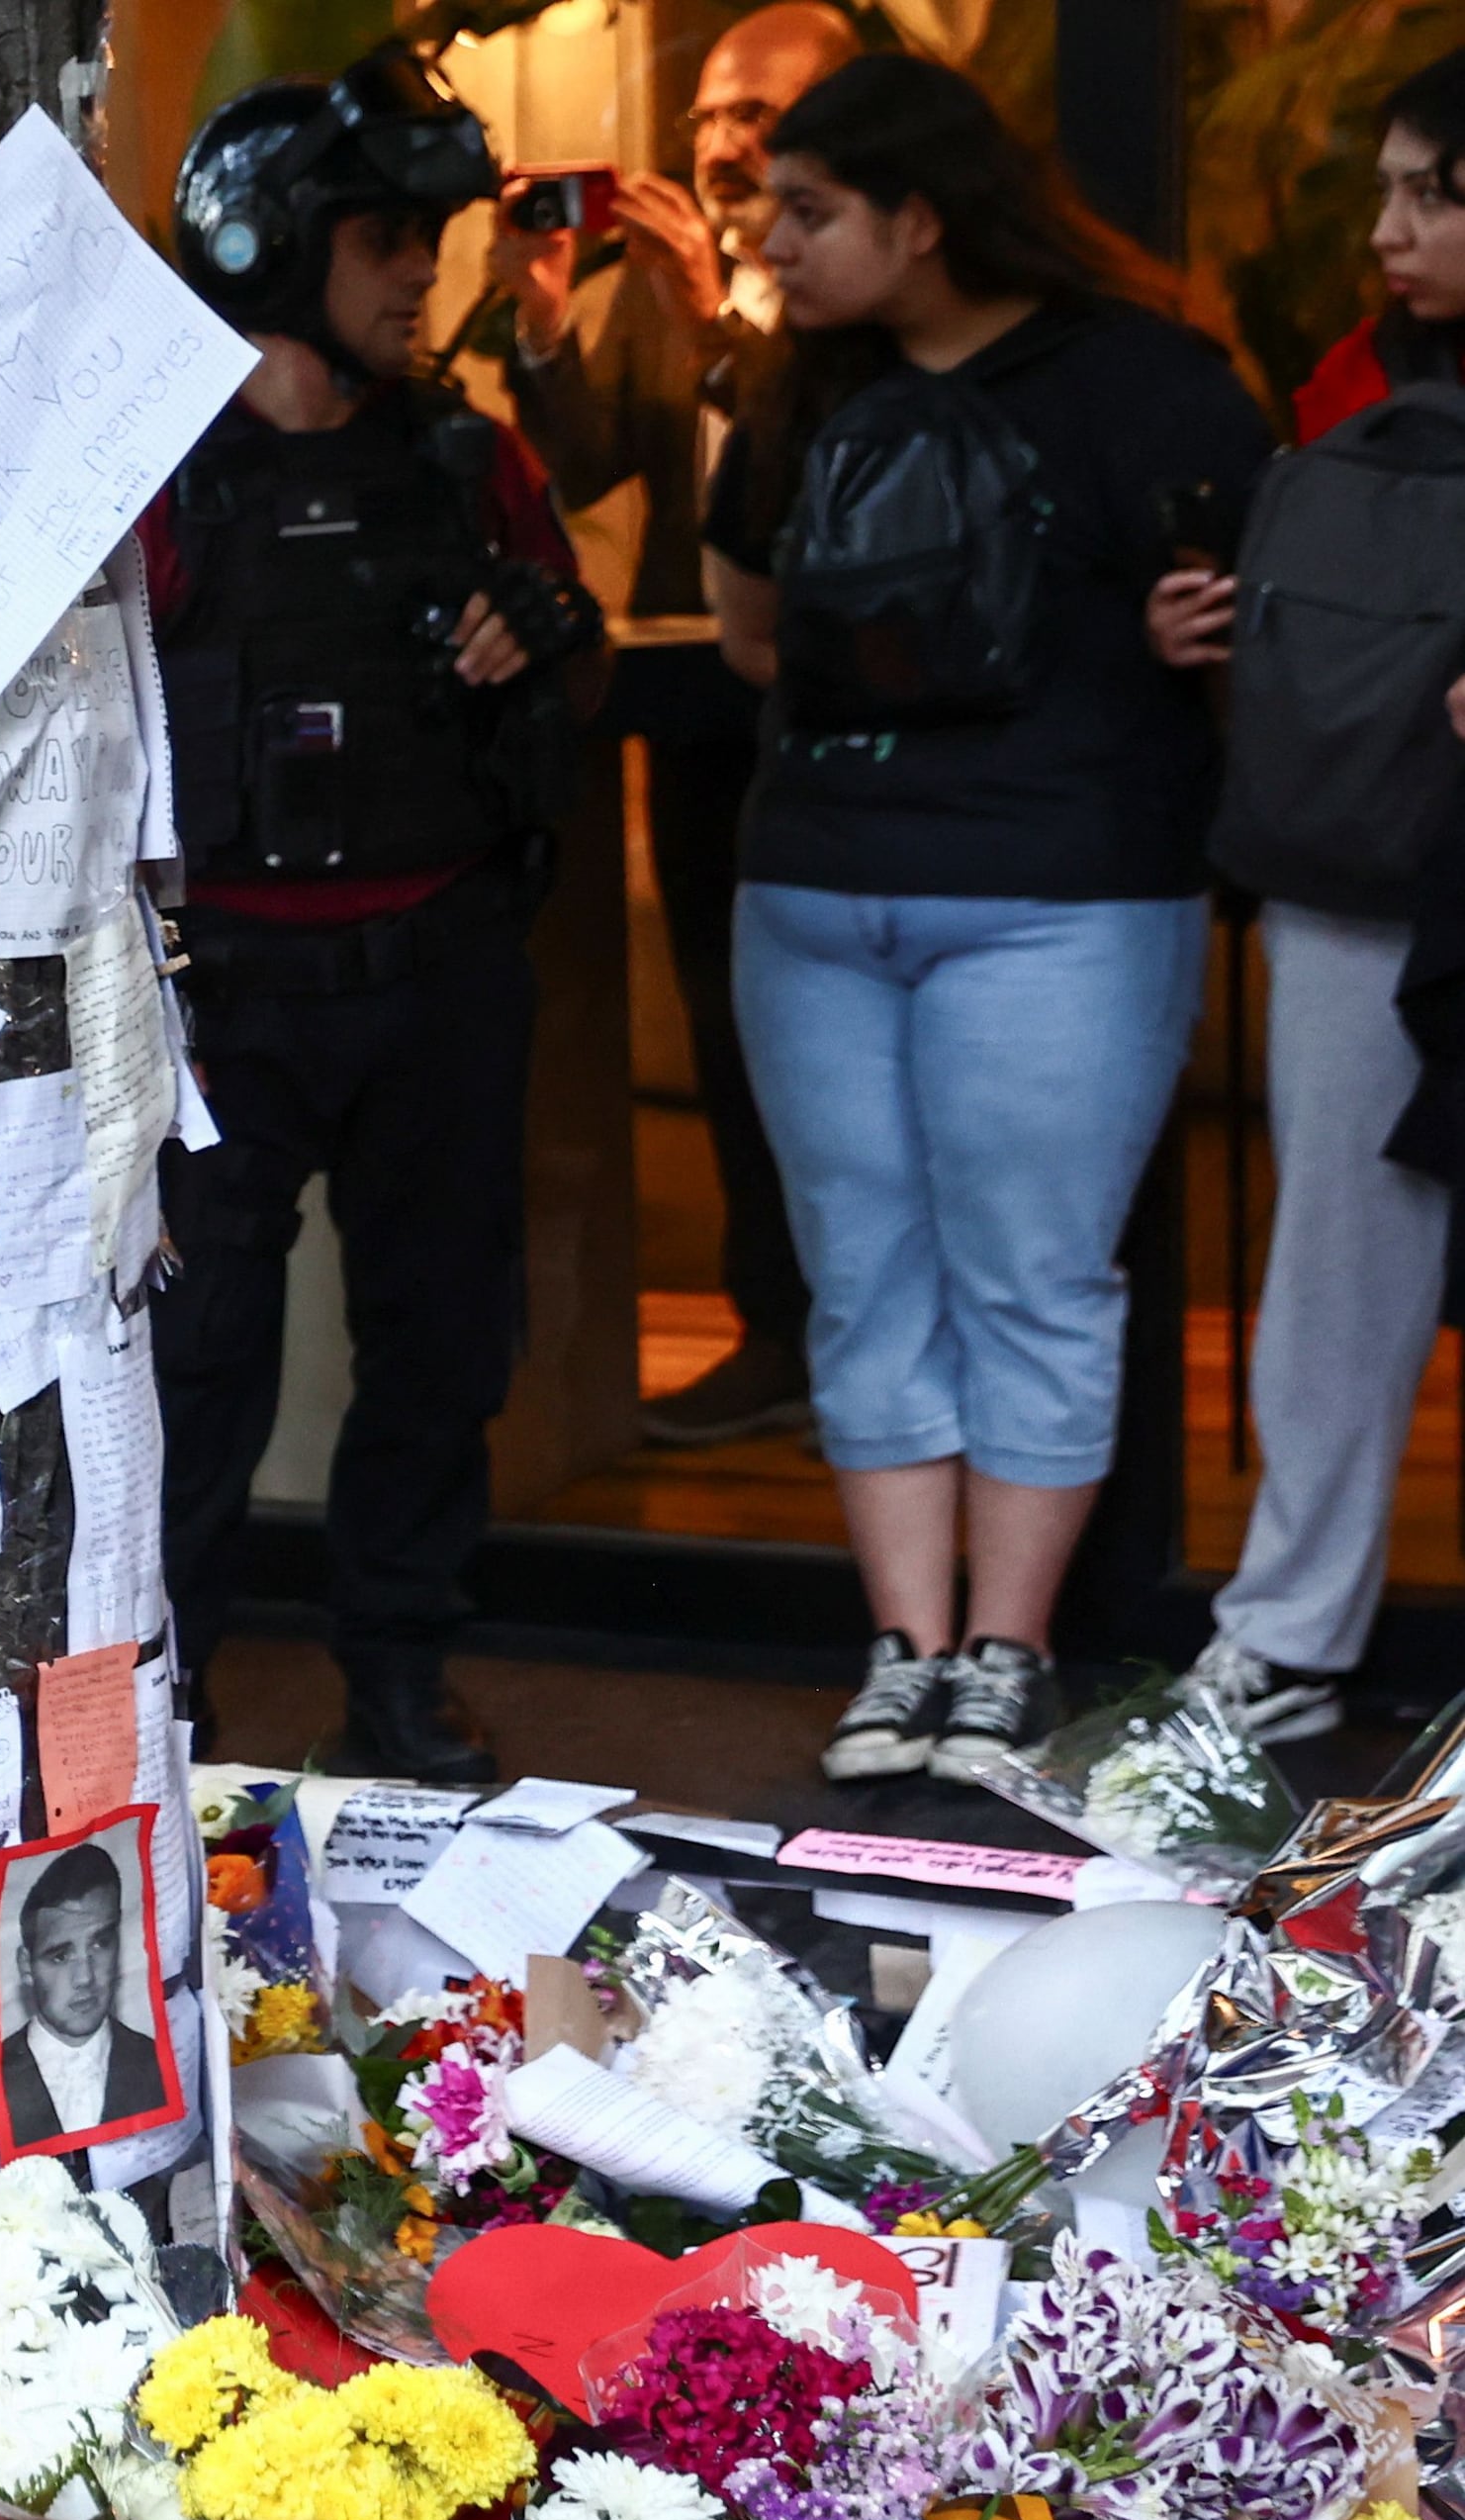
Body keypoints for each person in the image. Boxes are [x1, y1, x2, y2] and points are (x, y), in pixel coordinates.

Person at [701, 55, 1271, 1784]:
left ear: (921, 218)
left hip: (1060, 899)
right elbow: (739, 623)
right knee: (863, 1277)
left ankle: (1006, 1652)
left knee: (1028, 1272)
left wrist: (1207, 635)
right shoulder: (798, 391)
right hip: (812, 895)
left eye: (812, 213)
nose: (774, 243)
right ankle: (907, 1648)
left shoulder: (1147, 382)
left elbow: (1261, 608)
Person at [149, 47, 602, 1788]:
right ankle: (166, 1693)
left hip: (440, 979)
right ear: (274, 247)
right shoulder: (162, 483)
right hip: (228, 997)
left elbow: (564, 698)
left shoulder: (470, 463)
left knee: (440, 1341)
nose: (423, 270)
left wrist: (536, 647)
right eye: (384, 237)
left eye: (428, 236)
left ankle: (398, 1677)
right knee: (202, 1364)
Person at [492, 1, 860, 1451]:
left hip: (832, 709)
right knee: (724, 1022)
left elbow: (826, 471)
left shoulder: (845, 302)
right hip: (699, 706)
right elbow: (591, 466)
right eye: (707, 117)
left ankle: (856, 1336)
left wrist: (717, 320)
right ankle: (776, 1331)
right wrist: (539, 319)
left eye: (758, 118)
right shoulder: (656, 287)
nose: (720, 146)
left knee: (830, 1040)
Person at [1163, 52, 1465, 1748]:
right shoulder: (1353, 380)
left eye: (1433, 191)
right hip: (1365, 873)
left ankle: (1287, 1631)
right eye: (1387, 189)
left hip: (1369, 880)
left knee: (1339, 1256)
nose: (1389, 228)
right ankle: (1285, 1629)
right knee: (1338, 1260)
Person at [0, 1835, 167, 2153]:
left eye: (101, 1944)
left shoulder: (158, 2062)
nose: (85, 1977)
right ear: (26, 1966)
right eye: (60, 1956)